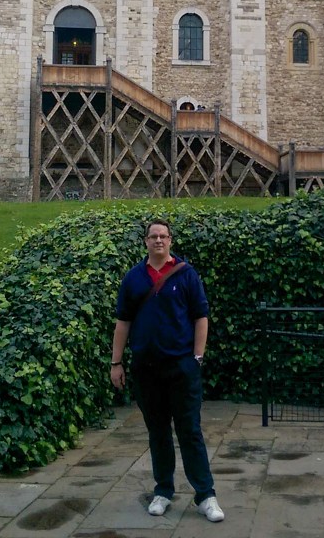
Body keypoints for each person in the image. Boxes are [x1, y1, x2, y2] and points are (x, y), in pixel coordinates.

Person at [110, 218, 225, 523]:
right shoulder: (134, 278)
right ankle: (163, 490)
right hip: (146, 369)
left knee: (190, 432)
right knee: (158, 432)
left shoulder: (186, 275)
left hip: (181, 367)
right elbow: (123, 322)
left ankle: (205, 495)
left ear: (170, 241)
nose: (158, 240)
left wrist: (197, 357)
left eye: (163, 236)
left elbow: (201, 316)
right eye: (153, 236)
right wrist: (116, 362)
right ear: (145, 242)